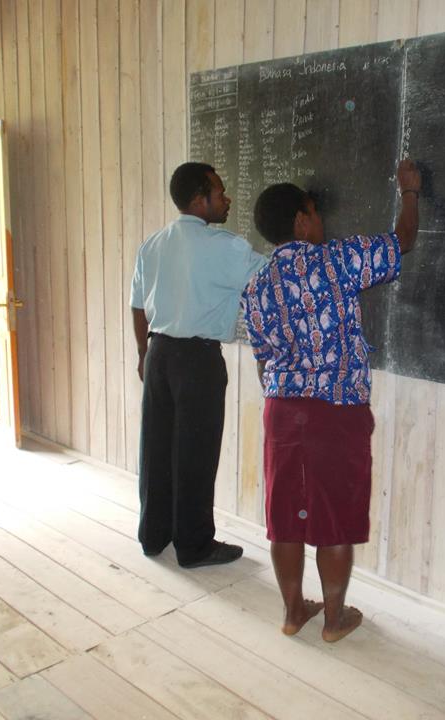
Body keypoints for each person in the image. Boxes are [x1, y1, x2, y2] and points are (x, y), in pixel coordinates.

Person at [241, 158, 421, 641]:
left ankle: (293, 610)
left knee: (285, 517)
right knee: (335, 515)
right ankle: (336, 619)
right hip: (336, 409)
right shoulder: (338, 259)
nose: (321, 222)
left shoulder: (255, 287)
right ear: (301, 219)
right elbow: (401, 240)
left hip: (281, 410)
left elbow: (262, 359)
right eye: (315, 213)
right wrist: (410, 193)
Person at [130, 162, 268, 568]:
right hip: (197, 359)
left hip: (158, 355)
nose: (226, 200)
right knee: (196, 451)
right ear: (198, 199)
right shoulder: (225, 247)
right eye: (220, 193)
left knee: (156, 448)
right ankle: (193, 545)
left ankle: (153, 535)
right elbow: (271, 279)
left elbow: (138, 305)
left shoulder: (152, 245)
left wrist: (143, 353)